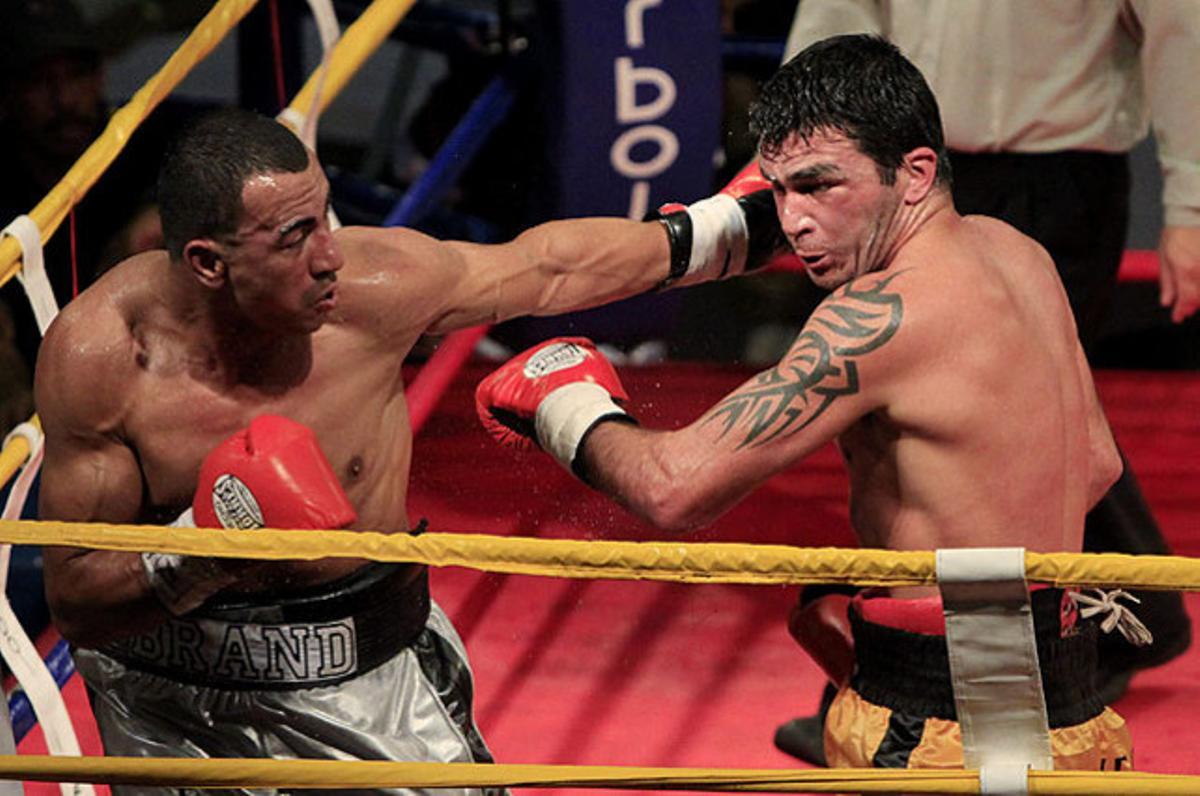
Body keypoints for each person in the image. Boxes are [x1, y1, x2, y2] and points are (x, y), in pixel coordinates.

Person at [34, 105, 776, 792]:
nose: (329, 256)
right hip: (167, 701)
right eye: (293, 240)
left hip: (362, 675)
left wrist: (723, 232)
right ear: (206, 263)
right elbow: (76, 599)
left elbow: (544, 266)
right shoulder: (104, 358)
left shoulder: (371, 293)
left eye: (322, 219)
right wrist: (205, 545)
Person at [476, 35, 1133, 770]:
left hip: (957, 730)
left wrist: (566, 403)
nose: (792, 222)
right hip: (1070, 707)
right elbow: (1096, 465)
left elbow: (674, 487)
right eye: (780, 190)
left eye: (821, 186)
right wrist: (911, 568)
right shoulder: (1018, 253)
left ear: (915, 173)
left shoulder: (878, 317)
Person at [773, 0, 1197, 762]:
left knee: (1016, 417)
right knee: (955, 422)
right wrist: (797, 164)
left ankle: (919, 688)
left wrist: (1191, 200)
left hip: (1059, 175)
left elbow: (1181, 29)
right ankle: (1130, 623)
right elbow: (838, 18)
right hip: (897, 173)